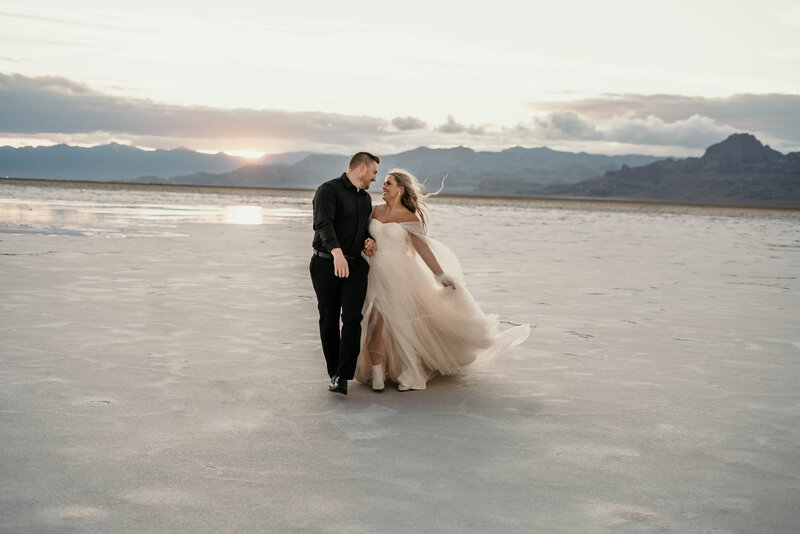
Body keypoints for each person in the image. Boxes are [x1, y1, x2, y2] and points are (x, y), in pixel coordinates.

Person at [355, 169, 530, 392]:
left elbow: (423, 249)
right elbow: (363, 236)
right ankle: (377, 374)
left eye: (388, 183)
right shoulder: (374, 211)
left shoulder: (409, 217)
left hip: (400, 276)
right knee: (373, 322)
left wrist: (440, 276)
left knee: (397, 325)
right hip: (373, 272)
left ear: (400, 189)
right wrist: (367, 244)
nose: (383, 187)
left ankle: (410, 370)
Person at [310, 152, 379, 395]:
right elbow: (323, 224)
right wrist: (337, 254)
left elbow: (362, 230)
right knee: (328, 319)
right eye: (373, 172)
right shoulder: (328, 190)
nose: (374, 179)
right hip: (326, 264)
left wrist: (367, 241)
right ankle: (334, 373)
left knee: (352, 319)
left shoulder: (366, 199)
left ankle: (343, 375)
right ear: (362, 167)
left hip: (355, 266)